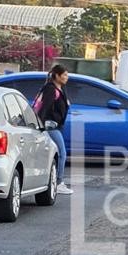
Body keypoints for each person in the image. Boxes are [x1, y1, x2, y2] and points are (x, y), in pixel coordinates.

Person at [35, 64, 74, 196]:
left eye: (67, 75)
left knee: (53, 154)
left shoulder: (60, 89)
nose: (66, 78)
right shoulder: (51, 90)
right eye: (64, 75)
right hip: (50, 126)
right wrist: (41, 125)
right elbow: (45, 108)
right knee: (62, 153)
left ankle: (53, 181)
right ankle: (58, 182)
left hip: (55, 125)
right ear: (57, 76)